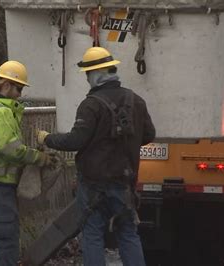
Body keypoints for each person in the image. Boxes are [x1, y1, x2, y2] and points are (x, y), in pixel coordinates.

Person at [36, 47, 155, 266]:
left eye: (88, 74)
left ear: (95, 75)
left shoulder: (91, 105)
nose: (87, 79)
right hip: (124, 184)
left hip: (93, 186)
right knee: (128, 233)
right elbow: (149, 134)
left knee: (92, 234)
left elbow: (75, 141)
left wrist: (47, 138)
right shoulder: (136, 101)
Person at [0, 60, 56, 266]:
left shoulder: (0, 110)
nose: (20, 94)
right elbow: (9, 149)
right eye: (18, 88)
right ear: (6, 85)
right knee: (6, 237)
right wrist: (38, 158)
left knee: (7, 236)